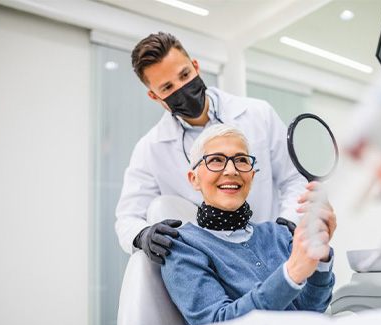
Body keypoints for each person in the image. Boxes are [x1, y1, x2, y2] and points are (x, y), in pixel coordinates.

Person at [115, 32, 314, 264]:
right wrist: (142, 235)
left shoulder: (259, 115)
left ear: (196, 66)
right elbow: (128, 216)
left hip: (274, 252)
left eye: (185, 75)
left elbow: (294, 180)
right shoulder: (151, 149)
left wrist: (286, 225)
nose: (182, 88)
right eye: (168, 87)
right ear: (154, 96)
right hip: (212, 265)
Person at [160, 124, 335, 325]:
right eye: (216, 160)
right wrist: (291, 273)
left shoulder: (279, 235)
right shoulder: (183, 248)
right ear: (194, 179)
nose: (232, 170)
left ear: (251, 176)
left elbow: (311, 310)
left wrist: (320, 258)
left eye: (241, 160)